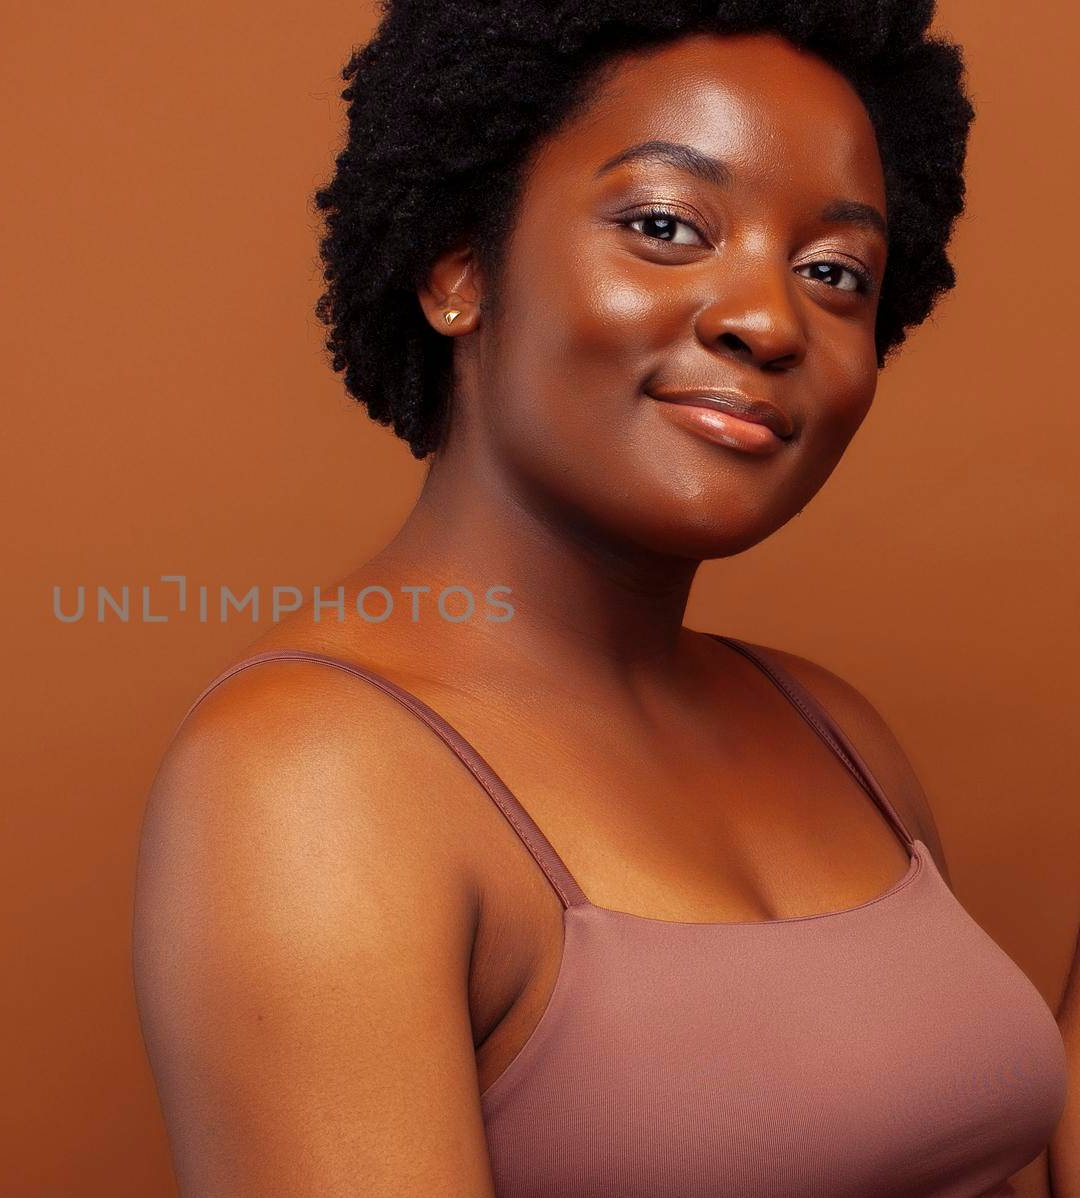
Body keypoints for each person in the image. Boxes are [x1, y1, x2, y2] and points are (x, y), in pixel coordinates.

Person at [132, 3, 1074, 1194]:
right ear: (458, 269)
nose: (767, 319)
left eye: (834, 272)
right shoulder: (313, 779)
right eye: (667, 225)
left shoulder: (833, 732)